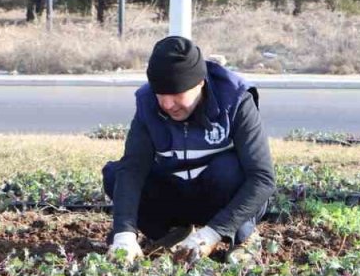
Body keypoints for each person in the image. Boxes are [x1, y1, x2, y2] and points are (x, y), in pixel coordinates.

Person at [103, 36, 275, 263]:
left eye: (175, 94)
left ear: (200, 83)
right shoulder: (147, 105)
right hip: (177, 194)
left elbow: (263, 179)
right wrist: (124, 233)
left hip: (218, 198)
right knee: (116, 174)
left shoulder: (236, 100)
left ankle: (243, 238)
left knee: (230, 169)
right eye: (160, 94)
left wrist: (211, 234)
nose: (166, 104)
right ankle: (173, 235)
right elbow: (132, 169)